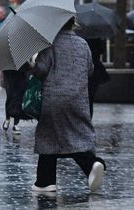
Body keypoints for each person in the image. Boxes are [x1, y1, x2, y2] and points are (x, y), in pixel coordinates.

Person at [31, 17, 106, 193]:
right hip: (78, 100)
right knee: (76, 135)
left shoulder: (49, 45)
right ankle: (90, 165)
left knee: (48, 135)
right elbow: (90, 69)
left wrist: (32, 63)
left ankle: (46, 180)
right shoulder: (83, 44)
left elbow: (41, 69)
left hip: (53, 99)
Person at [1, 62, 32, 135]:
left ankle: (16, 124)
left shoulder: (20, 52)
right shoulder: (6, 54)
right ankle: (7, 119)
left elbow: (25, 66)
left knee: (18, 99)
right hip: (9, 77)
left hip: (20, 77)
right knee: (9, 97)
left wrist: (29, 66)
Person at [86, 38, 110, 118]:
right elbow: (102, 50)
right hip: (95, 71)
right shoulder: (97, 37)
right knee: (90, 98)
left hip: (87, 70)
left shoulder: (82, 40)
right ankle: (89, 117)